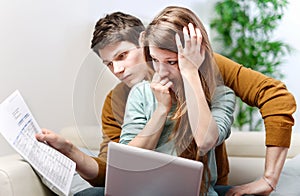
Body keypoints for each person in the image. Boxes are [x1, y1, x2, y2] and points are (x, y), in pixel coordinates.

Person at [36, 8, 296, 196]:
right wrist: (72, 151)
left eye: (123, 56)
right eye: (108, 64)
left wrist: (269, 178)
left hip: (201, 186)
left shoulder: (209, 72)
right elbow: (115, 167)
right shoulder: (123, 98)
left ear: (143, 41)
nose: (117, 70)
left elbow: (274, 96)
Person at [119, 6, 235, 195]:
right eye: (155, 60)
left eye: (172, 62)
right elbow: (127, 160)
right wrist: (161, 110)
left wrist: (190, 71)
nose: (162, 71)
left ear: (198, 55)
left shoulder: (221, 96)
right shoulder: (142, 93)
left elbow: (205, 141)